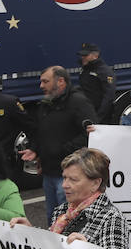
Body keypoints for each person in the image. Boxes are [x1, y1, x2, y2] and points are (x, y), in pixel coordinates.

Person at [19, 66, 98, 225]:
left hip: (70, 174)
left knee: (68, 219)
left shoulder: (79, 102)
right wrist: (35, 150)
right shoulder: (47, 103)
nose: (41, 86)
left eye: (45, 81)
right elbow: (41, 131)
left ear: (61, 81)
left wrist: (63, 150)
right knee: (52, 217)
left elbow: (90, 133)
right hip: (49, 173)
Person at [77, 43, 117, 122]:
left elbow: (109, 97)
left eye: (85, 55)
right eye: (82, 55)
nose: (82, 58)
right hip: (86, 113)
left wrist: (98, 117)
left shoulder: (105, 72)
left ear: (95, 55)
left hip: (99, 116)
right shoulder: (84, 70)